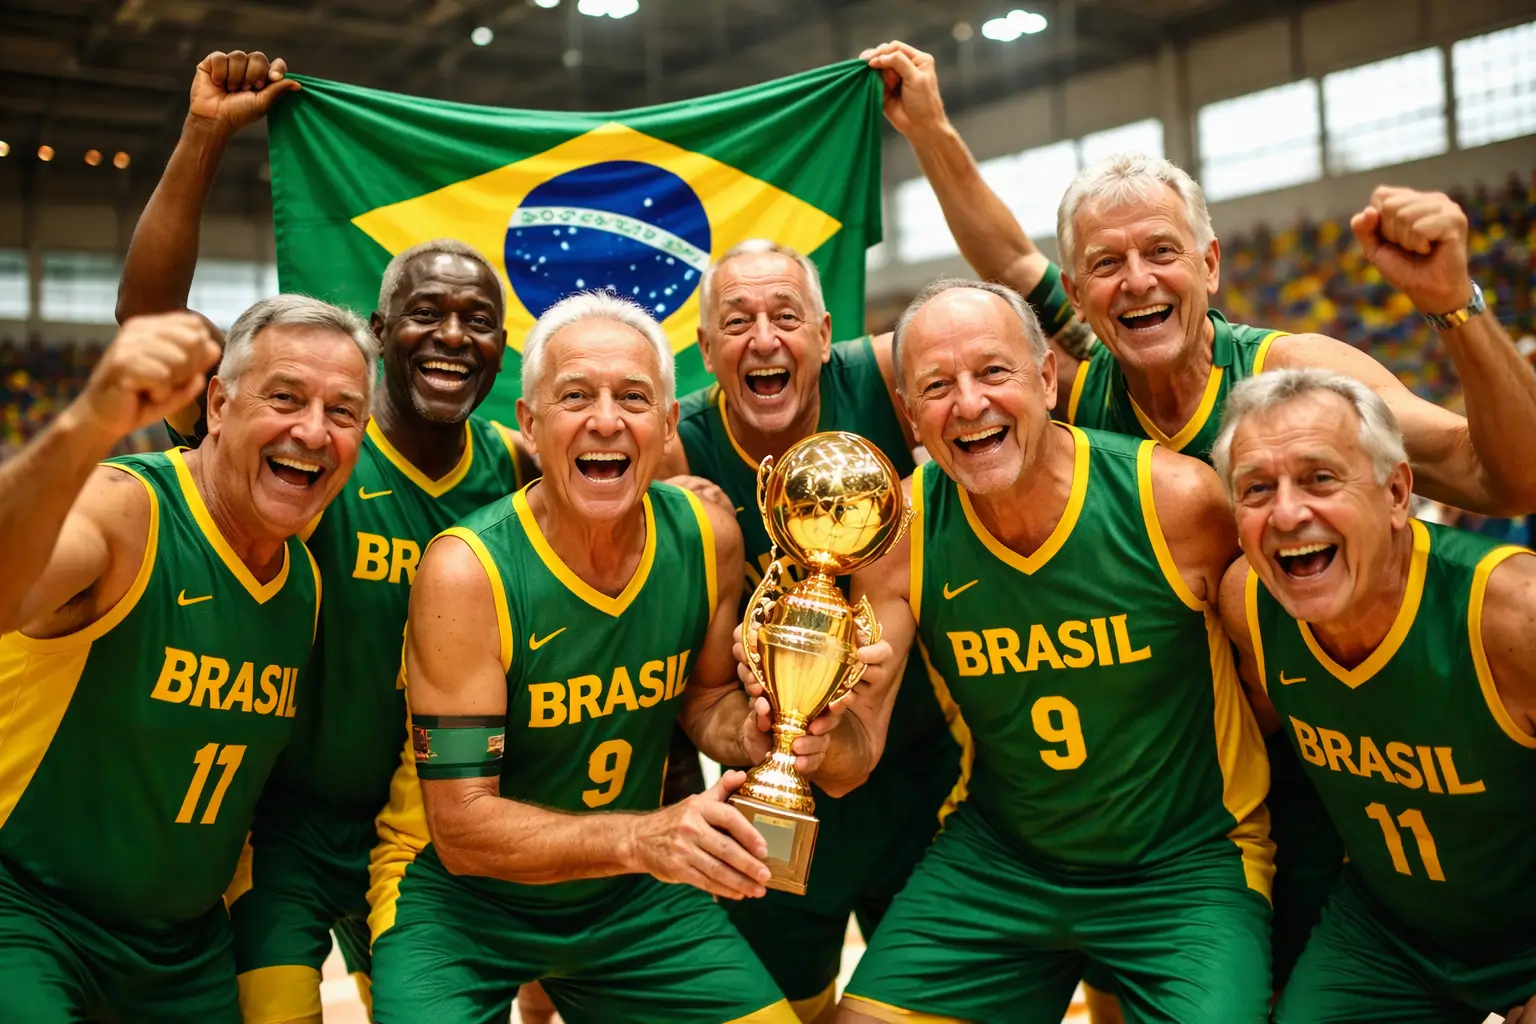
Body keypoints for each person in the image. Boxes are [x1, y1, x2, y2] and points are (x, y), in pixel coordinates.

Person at [865, 38, 1536, 1002]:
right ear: (1080, 298)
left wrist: (1456, 308)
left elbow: (1498, 474)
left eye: (1161, 253)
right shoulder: (1075, 393)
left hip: (1302, 779)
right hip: (1149, 789)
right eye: (1106, 264)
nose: (1135, 279)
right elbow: (1007, 256)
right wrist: (928, 128)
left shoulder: (1294, 376)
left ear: (1210, 264)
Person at [115, 50, 539, 1023]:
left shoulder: (515, 466)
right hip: (284, 826)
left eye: (479, 319)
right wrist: (204, 139)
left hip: (427, 823)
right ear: (383, 331)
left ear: (499, 347)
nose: (452, 334)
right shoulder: (314, 450)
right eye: (425, 312)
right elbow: (146, 325)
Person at [367, 292, 873, 1024]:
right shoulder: (467, 571)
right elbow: (462, 826)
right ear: (531, 426)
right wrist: (647, 837)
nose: (606, 420)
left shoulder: (708, 537)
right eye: (576, 396)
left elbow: (703, 702)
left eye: (633, 397)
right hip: (456, 896)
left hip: (628, 897)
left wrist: (766, 728)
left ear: (666, 426)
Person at [832, 279, 1273, 1024]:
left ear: (1046, 379)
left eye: (993, 372)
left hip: (1188, 863)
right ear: (909, 416)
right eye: (937, 386)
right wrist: (809, 723)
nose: (968, 404)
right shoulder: (897, 530)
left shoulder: (1178, 502)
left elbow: (1282, 695)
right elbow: (850, 764)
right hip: (1003, 862)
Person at [0, 300, 375, 1022]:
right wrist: (86, 426)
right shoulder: (123, 511)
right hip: (30, 914)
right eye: (286, 397)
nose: (312, 431)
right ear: (219, 402)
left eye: (343, 412)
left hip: (181, 951)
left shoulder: (302, 580)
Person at [660, 239, 964, 1021]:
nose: (763, 339)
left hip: (920, 783)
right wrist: (760, 736)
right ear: (705, 350)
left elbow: (1032, 364)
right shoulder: (672, 454)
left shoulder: (894, 377)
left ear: (825, 336)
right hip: (767, 800)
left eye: (785, 317)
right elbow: (699, 695)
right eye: (737, 322)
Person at [1211, 368, 1536, 1024]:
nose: (1287, 512)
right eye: (1256, 489)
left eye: (1320, 478)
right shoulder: (1248, 604)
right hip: (1386, 935)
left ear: (1395, 492)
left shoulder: (1515, 616)